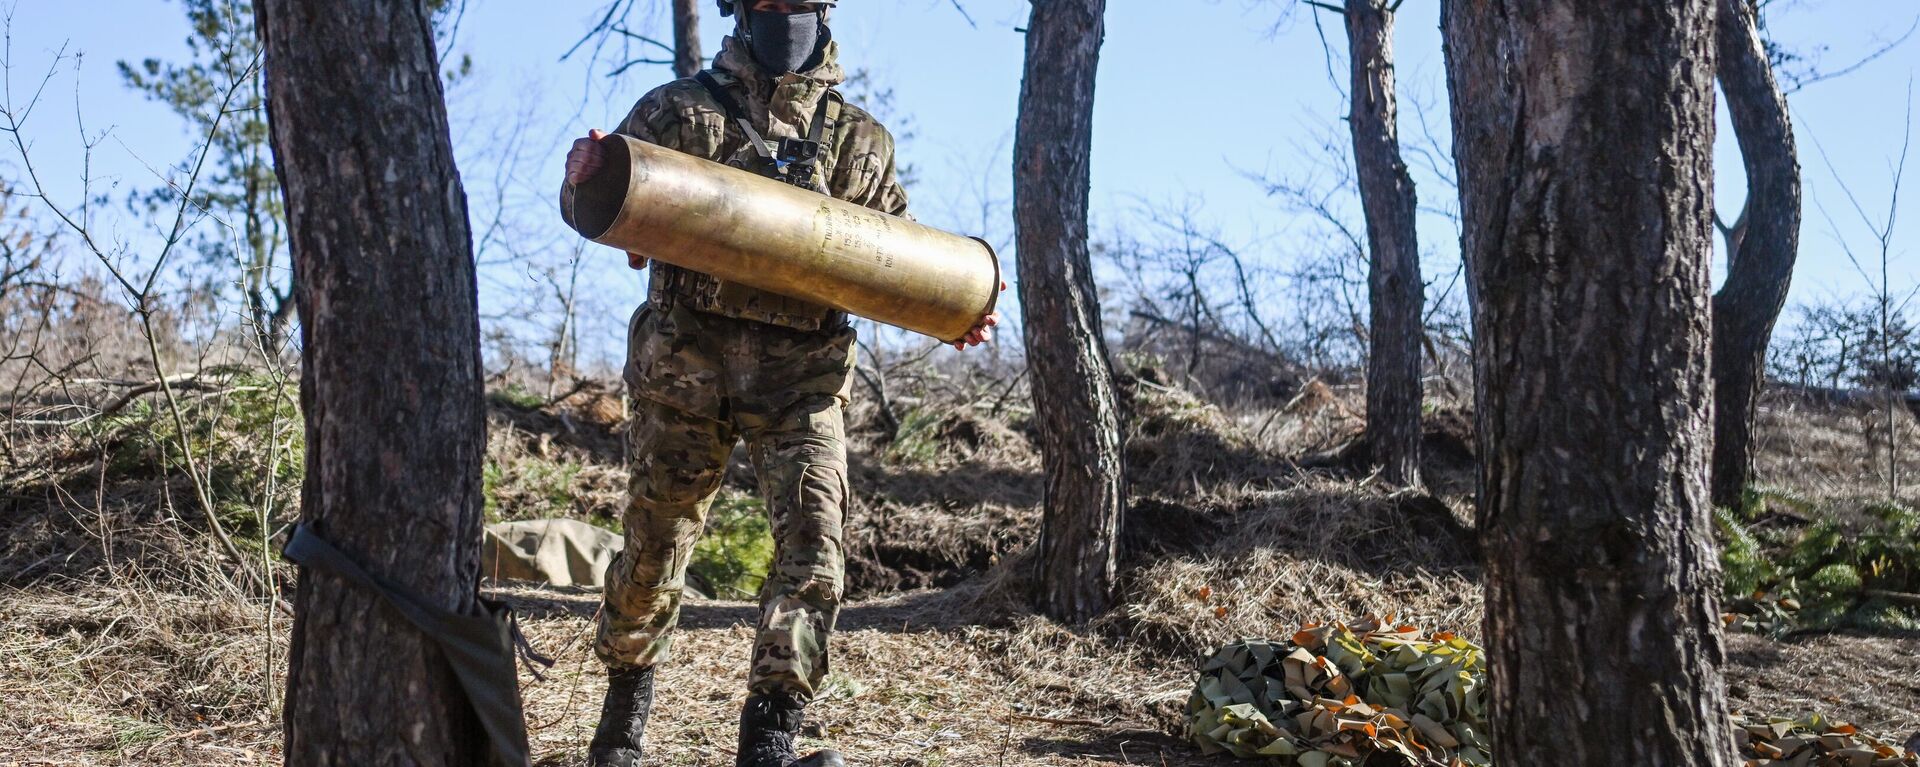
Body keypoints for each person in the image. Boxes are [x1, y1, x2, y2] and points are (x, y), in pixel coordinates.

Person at [563, 2, 997, 765]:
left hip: (803, 380)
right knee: (653, 551)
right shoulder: (677, 111)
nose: (784, 12)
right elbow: (598, 206)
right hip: (684, 371)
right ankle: (620, 731)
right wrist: (585, 182)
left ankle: (769, 741)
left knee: (814, 556)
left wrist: (954, 310)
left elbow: (896, 264)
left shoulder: (863, 142)